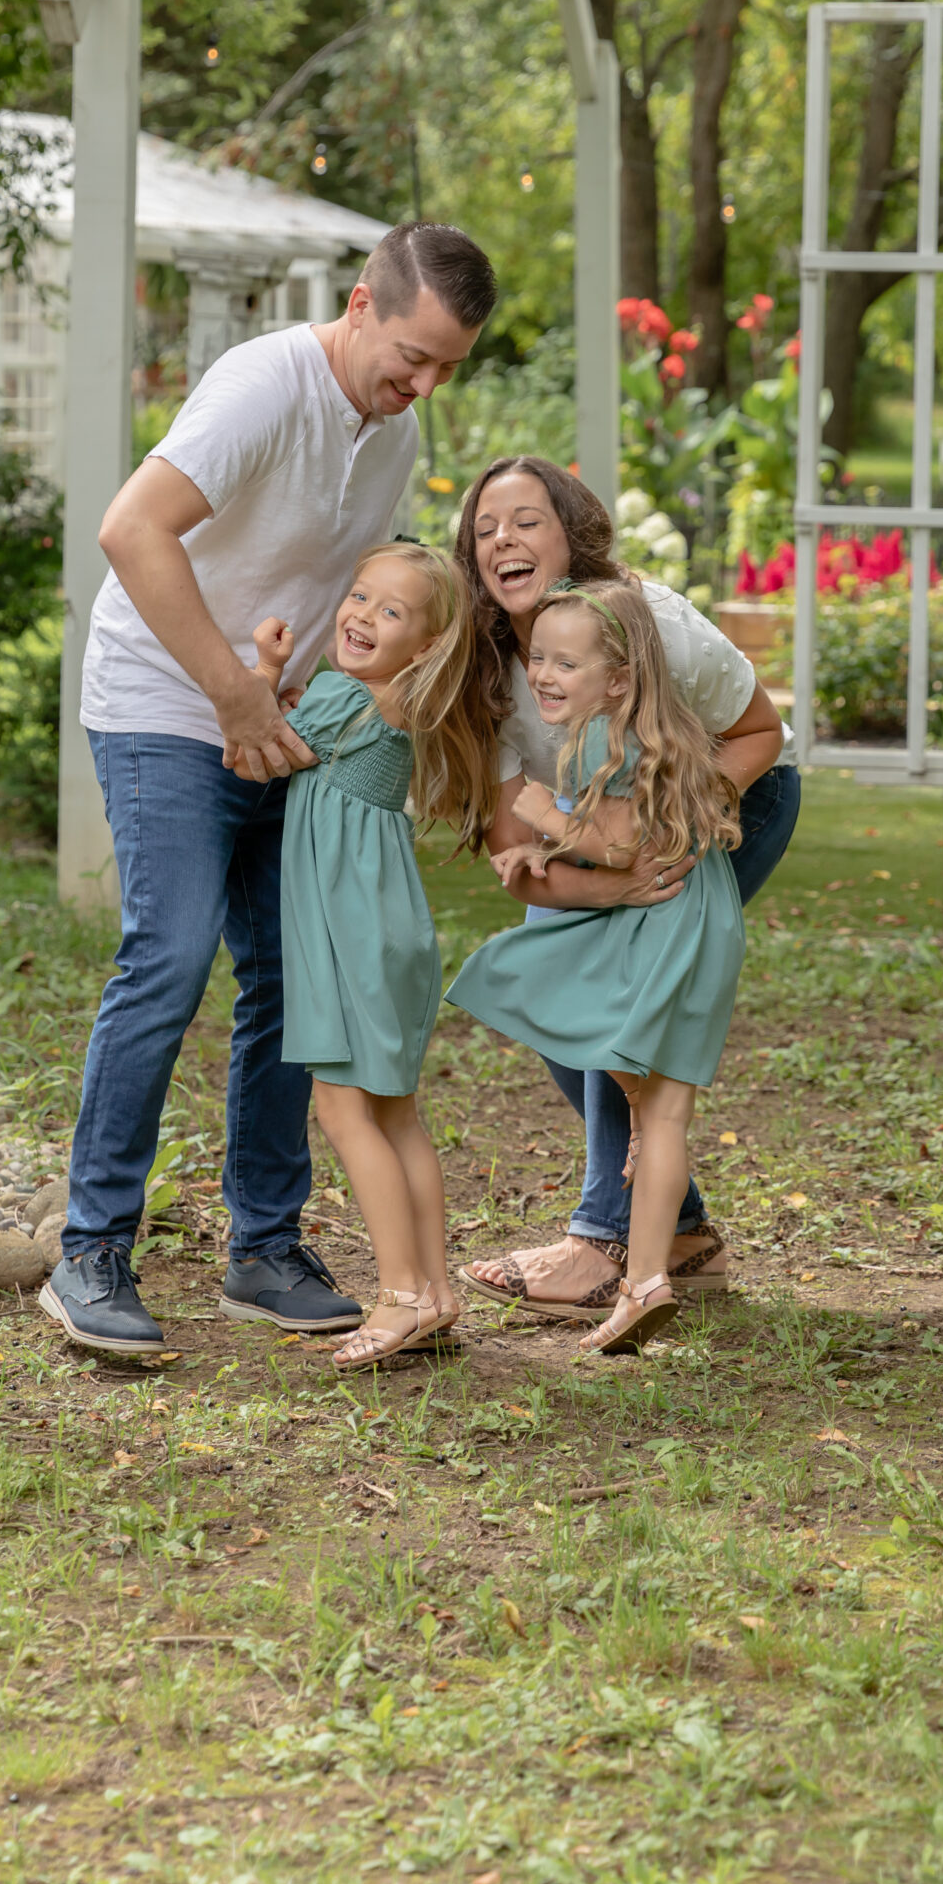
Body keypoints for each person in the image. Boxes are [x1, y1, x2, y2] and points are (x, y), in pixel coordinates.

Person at [40, 222, 497, 1359]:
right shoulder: (261, 385)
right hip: (164, 698)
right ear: (359, 304)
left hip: (282, 721)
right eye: (413, 356)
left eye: (448, 367)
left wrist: (299, 701)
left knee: (292, 971)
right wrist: (232, 698)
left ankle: (263, 1245)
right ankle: (89, 1249)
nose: (424, 385)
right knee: (173, 950)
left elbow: (352, 593)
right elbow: (130, 529)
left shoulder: (389, 432)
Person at [454, 456, 799, 1322]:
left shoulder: (651, 626)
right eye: (485, 527)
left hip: (731, 793)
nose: (504, 539)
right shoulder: (487, 666)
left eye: (527, 519)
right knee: (565, 1006)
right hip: (587, 823)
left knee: (621, 1022)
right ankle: (677, 1236)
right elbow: (512, 837)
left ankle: (601, 1246)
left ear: (572, 533)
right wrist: (611, 881)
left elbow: (760, 730)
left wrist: (663, 831)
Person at [448, 582, 745, 1354]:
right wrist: (543, 848)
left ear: (616, 678)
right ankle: (645, 1281)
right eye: (538, 657)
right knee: (662, 1115)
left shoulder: (598, 739)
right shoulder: (663, 730)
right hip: (697, 921)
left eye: (565, 663)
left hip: (658, 927)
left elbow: (614, 848)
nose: (543, 674)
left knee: (543, 979)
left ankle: (643, 1270)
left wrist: (542, 815)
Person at [250, 542, 487, 1368]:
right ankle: (435, 1291)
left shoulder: (349, 697)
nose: (359, 616)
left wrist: (265, 666)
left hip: (352, 937)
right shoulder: (391, 701)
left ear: (424, 647)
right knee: (392, 1113)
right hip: (387, 933)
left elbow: (253, 747)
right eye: (357, 596)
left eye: (391, 613)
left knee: (345, 1113)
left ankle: (399, 1296)